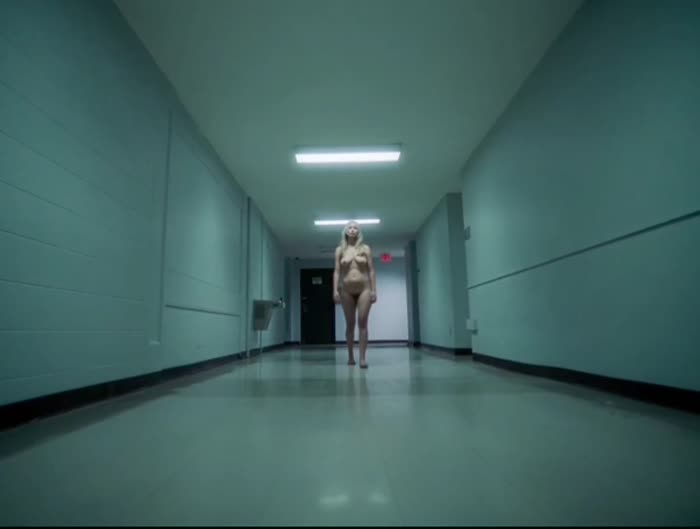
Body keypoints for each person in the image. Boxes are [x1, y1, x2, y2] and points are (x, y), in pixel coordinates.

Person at [333, 221, 377, 368]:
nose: (352, 230)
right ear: (345, 231)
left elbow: (371, 270)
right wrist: (335, 290)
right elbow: (337, 271)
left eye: (355, 228)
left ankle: (362, 358)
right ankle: (351, 356)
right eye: (350, 228)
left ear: (359, 232)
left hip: (364, 288)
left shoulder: (365, 248)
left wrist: (374, 290)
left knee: (362, 323)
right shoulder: (340, 250)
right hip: (346, 290)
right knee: (350, 324)